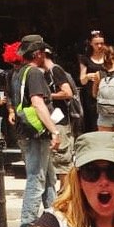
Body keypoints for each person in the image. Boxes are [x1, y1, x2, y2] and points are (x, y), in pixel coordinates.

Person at [14, 34, 61, 227]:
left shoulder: (18, 73)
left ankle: (55, 220)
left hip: (27, 133)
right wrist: (54, 130)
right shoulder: (34, 73)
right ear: (37, 54)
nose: (45, 55)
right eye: (43, 52)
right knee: (37, 179)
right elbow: (37, 103)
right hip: (36, 134)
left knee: (50, 178)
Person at [42, 45, 76, 188]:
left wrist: (47, 96)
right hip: (52, 119)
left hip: (60, 120)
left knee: (62, 158)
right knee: (55, 158)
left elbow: (67, 93)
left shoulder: (56, 70)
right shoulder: (45, 72)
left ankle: (66, 192)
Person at [79, 30, 107, 133]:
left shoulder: (108, 56)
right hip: (91, 94)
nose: (99, 46)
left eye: (101, 43)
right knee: (93, 119)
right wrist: (87, 76)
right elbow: (82, 80)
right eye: (96, 44)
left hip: (106, 91)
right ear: (91, 43)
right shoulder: (85, 59)